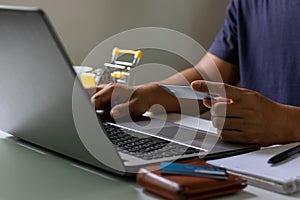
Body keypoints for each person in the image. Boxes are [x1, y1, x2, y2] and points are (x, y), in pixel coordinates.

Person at [88, 0, 300, 146]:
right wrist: (147, 94)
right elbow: (209, 77)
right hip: (259, 163)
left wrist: (287, 123)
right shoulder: (246, 4)